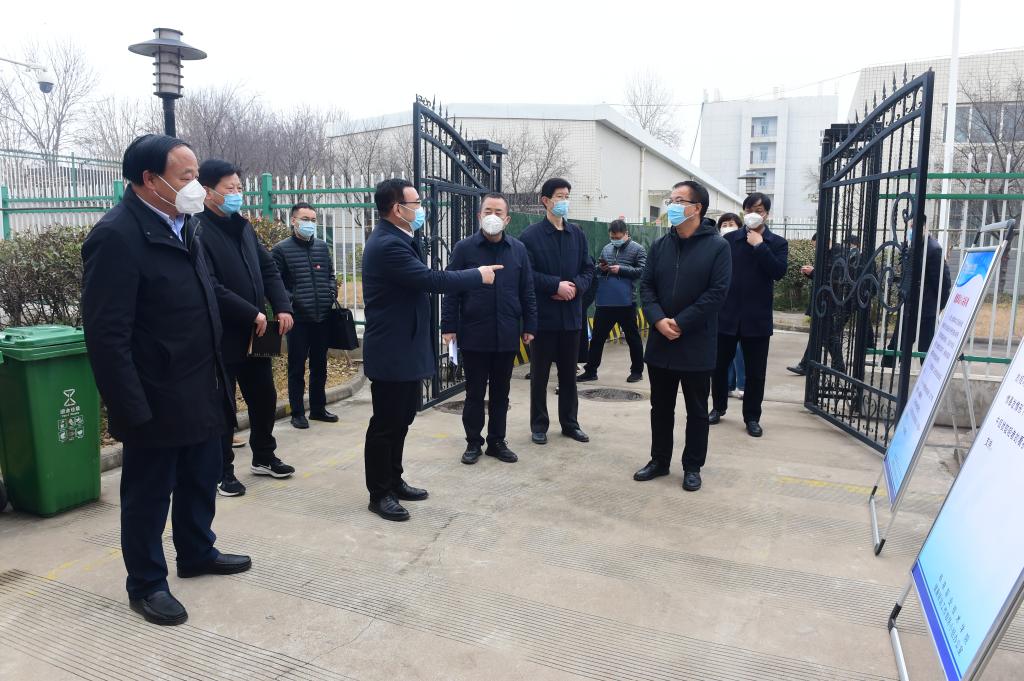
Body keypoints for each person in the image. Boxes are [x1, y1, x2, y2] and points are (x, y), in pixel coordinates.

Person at [81, 134, 250, 627]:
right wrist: (130, 409)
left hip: (201, 381)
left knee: (200, 477)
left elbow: (205, 290)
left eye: (197, 174)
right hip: (154, 394)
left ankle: (196, 552)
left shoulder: (185, 225)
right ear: (150, 180)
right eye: (187, 176)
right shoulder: (116, 236)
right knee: (149, 495)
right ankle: (147, 583)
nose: (197, 185)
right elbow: (107, 335)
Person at [361, 178, 504, 521]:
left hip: (406, 345)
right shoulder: (387, 244)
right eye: (416, 203)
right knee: (386, 423)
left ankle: (394, 480)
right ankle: (379, 493)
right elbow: (431, 280)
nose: (421, 208)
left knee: (402, 419)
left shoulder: (402, 237)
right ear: (397, 209)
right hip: (392, 349)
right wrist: (477, 275)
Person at [195, 160, 296, 497]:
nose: (237, 194)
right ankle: (222, 470)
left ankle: (264, 456)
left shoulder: (242, 226)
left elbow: (268, 269)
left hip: (260, 331)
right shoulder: (197, 230)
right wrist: (250, 312)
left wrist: (282, 305)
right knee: (224, 404)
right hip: (223, 334)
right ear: (208, 192)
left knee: (264, 396)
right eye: (230, 188)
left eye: (239, 188)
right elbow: (210, 285)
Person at [633, 181, 731, 492]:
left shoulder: (718, 247)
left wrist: (681, 322)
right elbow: (646, 286)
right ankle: (659, 460)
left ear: (697, 208)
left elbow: (716, 293)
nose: (672, 206)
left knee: (697, 411)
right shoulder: (661, 245)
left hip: (696, 342)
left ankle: (692, 466)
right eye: (671, 200)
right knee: (660, 408)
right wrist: (658, 319)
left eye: (679, 200)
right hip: (661, 341)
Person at [441, 192, 538, 465]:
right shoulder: (464, 248)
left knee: (500, 393)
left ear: (507, 219)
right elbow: (451, 289)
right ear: (479, 215)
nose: (492, 217)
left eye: (498, 212)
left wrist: (530, 325)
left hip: (506, 332)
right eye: (488, 211)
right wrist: (448, 326)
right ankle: (473, 442)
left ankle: (497, 441)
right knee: (474, 392)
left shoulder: (518, 250)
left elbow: (527, 290)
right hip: (474, 332)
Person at [520, 178, 595, 445]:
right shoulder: (530, 236)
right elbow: (526, 274)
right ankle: (539, 425)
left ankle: (570, 423)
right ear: (546, 200)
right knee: (539, 375)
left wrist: (575, 286)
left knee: (568, 376)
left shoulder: (577, 234)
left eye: (567, 196)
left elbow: (588, 269)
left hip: (571, 317)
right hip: (544, 318)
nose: (564, 201)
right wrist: (555, 285)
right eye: (560, 196)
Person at [710, 192, 789, 438]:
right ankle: (718, 407)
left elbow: (778, 272)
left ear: (767, 214)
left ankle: (752, 417)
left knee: (756, 372)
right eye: (749, 209)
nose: (754, 214)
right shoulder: (729, 240)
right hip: (726, 314)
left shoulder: (777, 243)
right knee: (718, 366)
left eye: (759, 210)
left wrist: (760, 246)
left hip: (757, 318)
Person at [272, 203, 340, 429]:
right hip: (298, 319)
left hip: (322, 316)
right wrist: (291, 302)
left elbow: (331, 275)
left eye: (312, 219)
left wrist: (331, 292)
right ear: (293, 220)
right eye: (305, 219)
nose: (309, 223)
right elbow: (275, 283)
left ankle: (318, 409)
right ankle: (297, 412)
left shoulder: (322, 247)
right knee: (297, 367)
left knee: (320, 366)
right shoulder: (281, 249)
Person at [578, 220, 647, 383]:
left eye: (618, 237)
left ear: (626, 234)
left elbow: (642, 271)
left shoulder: (638, 249)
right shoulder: (607, 248)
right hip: (606, 301)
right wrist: (601, 268)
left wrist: (621, 269)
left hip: (626, 301)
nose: (615, 240)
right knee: (597, 337)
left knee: (632, 337)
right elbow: (595, 268)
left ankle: (637, 371)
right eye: (612, 237)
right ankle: (591, 371)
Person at [881, 215, 952, 367]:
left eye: (914, 227)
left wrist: (938, 306)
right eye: (910, 227)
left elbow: (943, 283)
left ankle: (929, 379)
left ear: (924, 227)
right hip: (909, 306)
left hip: (926, 311)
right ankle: (887, 370)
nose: (911, 230)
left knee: (926, 352)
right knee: (896, 346)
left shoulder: (933, 249)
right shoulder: (913, 246)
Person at [716, 213, 745, 396]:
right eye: (724, 224)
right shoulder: (716, 245)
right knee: (723, 351)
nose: (727, 227)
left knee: (740, 350)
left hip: (740, 305)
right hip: (721, 304)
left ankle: (741, 385)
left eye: (731, 223)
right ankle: (727, 385)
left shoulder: (744, 246)